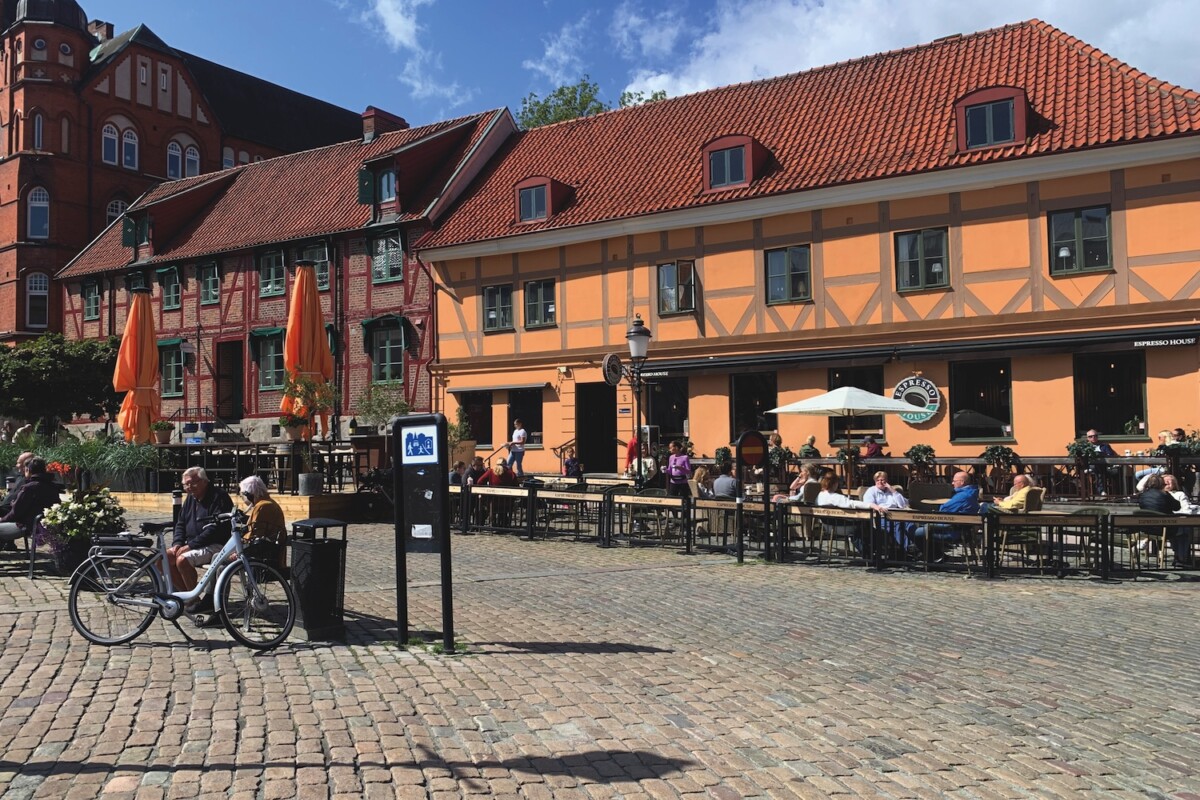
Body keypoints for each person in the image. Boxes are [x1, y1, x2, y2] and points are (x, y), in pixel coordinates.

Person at [167, 467, 235, 604]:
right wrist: (177, 543)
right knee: (163, 558)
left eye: (192, 483)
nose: (189, 487)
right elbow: (180, 523)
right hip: (193, 544)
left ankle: (193, 598)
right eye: (186, 484)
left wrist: (191, 545)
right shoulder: (191, 498)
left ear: (204, 481)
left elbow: (215, 529)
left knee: (182, 560)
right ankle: (191, 597)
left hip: (215, 544)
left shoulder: (218, 497)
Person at [913, 471, 981, 562]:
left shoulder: (963, 496)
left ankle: (935, 558)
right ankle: (935, 555)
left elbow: (944, 510)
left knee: (919, 531)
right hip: (963, 529)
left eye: (954, 481)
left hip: (954, 530)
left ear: (962, 482)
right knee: (924, 526)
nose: (952, 483)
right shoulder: (971, 493)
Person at [0, 457, 63, 549]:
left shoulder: (28, 488)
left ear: (28, 470)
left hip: (26, 526)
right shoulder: (52, 486)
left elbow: (15, 513)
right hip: (42, 524)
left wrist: (2, 520)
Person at [1138, 473, 1191, 567]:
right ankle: (1181, 558)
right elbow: (1177, 507)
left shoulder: (1143, 495)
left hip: (1146, 528)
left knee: (1178, 529)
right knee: (1183, 529)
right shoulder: (1164, 494)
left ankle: (1178, 556)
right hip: (1163, 528)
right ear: (1160, 484)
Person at [237, 475, 287, 570]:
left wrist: (237, 551)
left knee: (220, 565)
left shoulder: (262, 507)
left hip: (262, 557)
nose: (242, 499)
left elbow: (253, 535)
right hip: (268, 553)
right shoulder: (268, 503)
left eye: (242, 495)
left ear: (249, 494)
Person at [862, 471, 913, 550]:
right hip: (883, 516)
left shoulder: (892, 491)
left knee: (910, 524)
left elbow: (902, 505)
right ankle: (902, 550)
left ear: (886, 481)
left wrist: (892, 490)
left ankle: (913, 546)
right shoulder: (871, 491)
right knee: (899, 525)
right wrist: (878, 507)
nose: (880, 482)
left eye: (882, 480)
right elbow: (868, 503)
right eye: (877, 480)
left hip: (898, 515)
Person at [0, 451, 35, 519]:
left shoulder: (29, 484)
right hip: (4, 508)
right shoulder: (20, 477)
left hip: (8, 513)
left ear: (27, 465)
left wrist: (2, 520)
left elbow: (17, 510)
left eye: (19, 463)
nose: (16, 465)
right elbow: (12, 492)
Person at [1084, 429, 1119, 495]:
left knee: (1098, 468)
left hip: (1103, 465)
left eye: (1095, 436)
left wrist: (1102, 454)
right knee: (1097, 468)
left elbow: (1110, 455)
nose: (1093, 438)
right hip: (1089, 466)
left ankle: (1101, 490)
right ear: (1087, 438)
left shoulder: (1104, 445)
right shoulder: (1085, 447)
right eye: (1090, 436)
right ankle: (1101, 490)